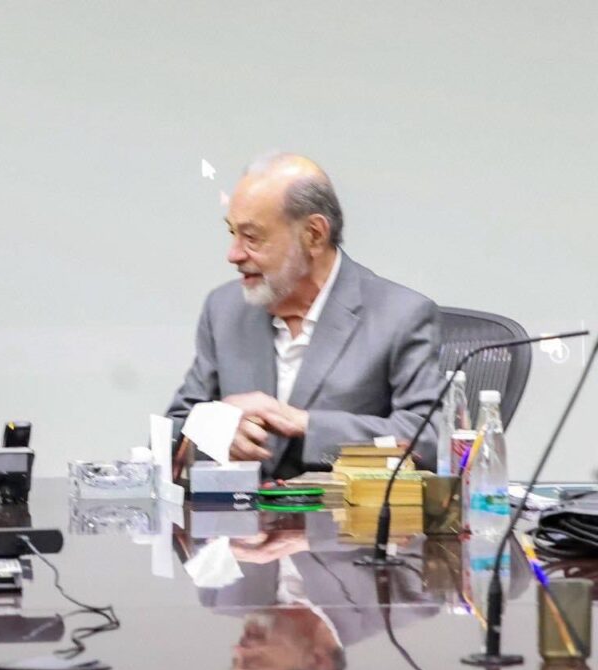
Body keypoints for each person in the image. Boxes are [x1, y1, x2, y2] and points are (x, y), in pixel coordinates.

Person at [167, 153, 443, 479]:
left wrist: (304, 424)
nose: (234, 254)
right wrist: (214, 430)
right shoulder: (224, 309)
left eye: (252, 237)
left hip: (342, 511)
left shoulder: (400, 316)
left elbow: (429, 442)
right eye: (232, 233)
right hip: (239, 510)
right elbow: (172, 432)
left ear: (313, 234)